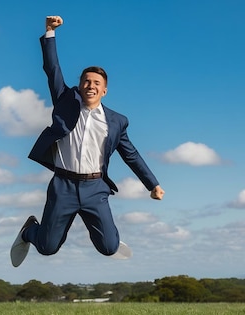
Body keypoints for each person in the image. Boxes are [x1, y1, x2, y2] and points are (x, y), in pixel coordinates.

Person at [11, 15, 165, 267]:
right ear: (80, 85)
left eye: (96, 83)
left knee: (108, 248)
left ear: (104, 90)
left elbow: (131, 155)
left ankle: (110, 239)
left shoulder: (116, 121)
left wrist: (153, 184)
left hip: (95, 188)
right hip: (63, 186)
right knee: (48, 248)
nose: (90, 85)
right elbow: (52, 70)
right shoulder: (65, 102)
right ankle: (30, 231)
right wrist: (50, 32)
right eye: (86, 81)